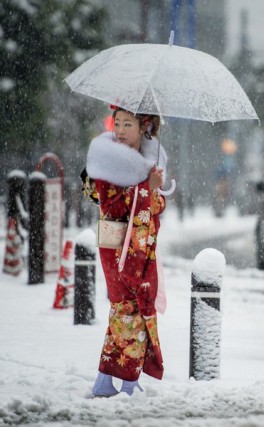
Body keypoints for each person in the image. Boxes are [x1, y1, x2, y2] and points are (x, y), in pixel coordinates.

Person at [83, 106, 168, 397]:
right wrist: (146, 187)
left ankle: (107, 380)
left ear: (143, 128)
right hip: (118, 247)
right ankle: (127, 382)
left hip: (138, 248)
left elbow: (155, 208)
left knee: (128, 310)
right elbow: (114, 206)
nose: (119, 130)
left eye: (127, 124)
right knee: (130, 311)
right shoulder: (110, 160)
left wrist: (152, 188)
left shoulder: (145, 162)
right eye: (117, 123)